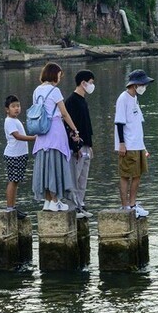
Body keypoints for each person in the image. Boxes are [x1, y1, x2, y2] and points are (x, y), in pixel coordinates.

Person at [31, 62, 82, 212]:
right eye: (59, 75)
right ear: (54, 74)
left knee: (45, 167)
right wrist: (75, 129)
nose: (60, 78)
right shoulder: (55, 91)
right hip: (54, 131)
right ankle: (54, 199)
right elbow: (64, 113)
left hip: (41, 132)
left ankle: (48, 201)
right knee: (55, 166)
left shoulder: (36, 91)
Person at [115, 69, 153, 218]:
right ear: (135, 84)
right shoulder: (123, 98)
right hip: (128, 145)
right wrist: (122, 144)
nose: (144, 86)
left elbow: (137, 124)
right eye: (143, 84)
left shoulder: (134, 99)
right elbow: (119, 122)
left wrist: (143, 147)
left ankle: (133, 204)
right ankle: (125, 206)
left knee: (137, 175)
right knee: (125, 175)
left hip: (138, 145)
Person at [63, 69, 96, 218]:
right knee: (74, 178)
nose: (91, 86)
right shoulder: (71, 101)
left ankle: (80, 204)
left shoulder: (83, 100)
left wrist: (90, 145)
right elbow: (69, 126)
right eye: (90, 83)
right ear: (83, 83)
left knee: (83, 178)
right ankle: (72, 206)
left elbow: (87, 125)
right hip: (76, 146)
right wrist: (75, 146)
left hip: (86, 145)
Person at [3, 94, 35, 214]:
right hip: (13, 155)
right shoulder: (9, 121)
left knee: (16, 181)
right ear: (7, 109)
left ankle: (13, 206)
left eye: (18, 106)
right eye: (13, 106)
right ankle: (10, 207)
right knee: (13, 180)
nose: (16, 108)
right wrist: (34, 138)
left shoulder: (15, 120)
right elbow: (17, 136)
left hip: (20, 154)